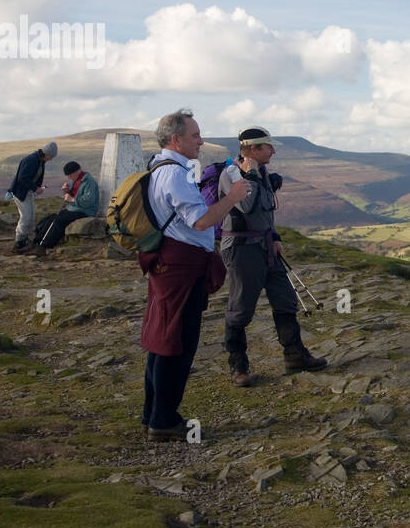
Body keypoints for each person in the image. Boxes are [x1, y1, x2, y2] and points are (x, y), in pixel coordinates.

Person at [140, 109, 252, 441]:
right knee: (177, 342)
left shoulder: (159, 168)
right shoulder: (174, 174)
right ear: (175, 139)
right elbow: (201, 221)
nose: (201, 141)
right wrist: (231, 198)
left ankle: (154, 415)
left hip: (170, 265)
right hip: (181, 269)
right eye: (195, 135)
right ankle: (164, 421)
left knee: (162, 340)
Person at [219, 126, 328, 387]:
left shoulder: (262, 171)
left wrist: (275, 238)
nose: (274, 151)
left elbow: (266, 212)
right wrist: (252, 175)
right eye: (269, 146)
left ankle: (294, 355)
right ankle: (238, 366)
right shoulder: (232, 173)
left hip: (266, 246)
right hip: (242, 248)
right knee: (241, 308)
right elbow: (246, 205)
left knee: (285, 299)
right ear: (254, 149)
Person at [26, 161, 98, 256]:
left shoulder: (89, 181)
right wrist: (67, 191)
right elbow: (76, 195)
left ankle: (43, 246)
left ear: (76, 172)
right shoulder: (78, 180)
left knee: (58, 221)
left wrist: (72, 199)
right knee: (50, 218)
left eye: (69, 175)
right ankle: (36, 243)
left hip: (84, 211)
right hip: (74, 208)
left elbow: (89, 201)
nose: (68, 178)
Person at [8, 141, 56, 253]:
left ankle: (23, 239)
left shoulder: (39, 160)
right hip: (21, 192)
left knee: (30, 216)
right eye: (51, 156)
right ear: (47, 153)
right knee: (26, 217)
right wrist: (36, 188)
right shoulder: (32, 160)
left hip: (27, 191)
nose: (51, 159)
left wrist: (36, 188)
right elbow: (22, 178)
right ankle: (19, 242)